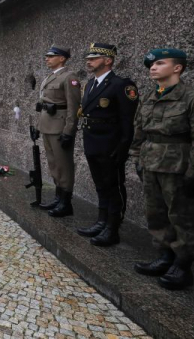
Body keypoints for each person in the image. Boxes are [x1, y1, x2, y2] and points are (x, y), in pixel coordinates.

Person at [131, 48, 194, 290]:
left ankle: (183, 264)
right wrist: (137, 159)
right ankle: (164, 256)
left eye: (160, 63)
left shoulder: (191, 97)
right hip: (150, 163)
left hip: (177, 165)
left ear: (177, 68)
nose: (153, 67)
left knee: (181, 216)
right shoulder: (149, 96)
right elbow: (139, 131)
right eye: (151, 64)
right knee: (155, 213)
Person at [76, 44, 139, 247]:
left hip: (110, 144)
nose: (89, 60)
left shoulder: (121, 85)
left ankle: (113, 227)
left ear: (108, 60)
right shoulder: (90, 84)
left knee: (114, 187)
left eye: (94, 57)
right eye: (88, 57)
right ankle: (101, 220)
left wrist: (123, 147)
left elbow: (127, 120)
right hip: (92, 142)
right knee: (100, 185)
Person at [36, 46, 82, 217]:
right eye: (46, 56)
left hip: (60, 127)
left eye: (51, 56)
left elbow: (73, 107)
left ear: (62, 58)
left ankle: (66, 202)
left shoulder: (69, 77)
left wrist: (69, 131)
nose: (47, 59)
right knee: (54, 163)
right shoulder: (50, 76)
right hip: (47, 125)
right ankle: (58, 197)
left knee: (64, 165)